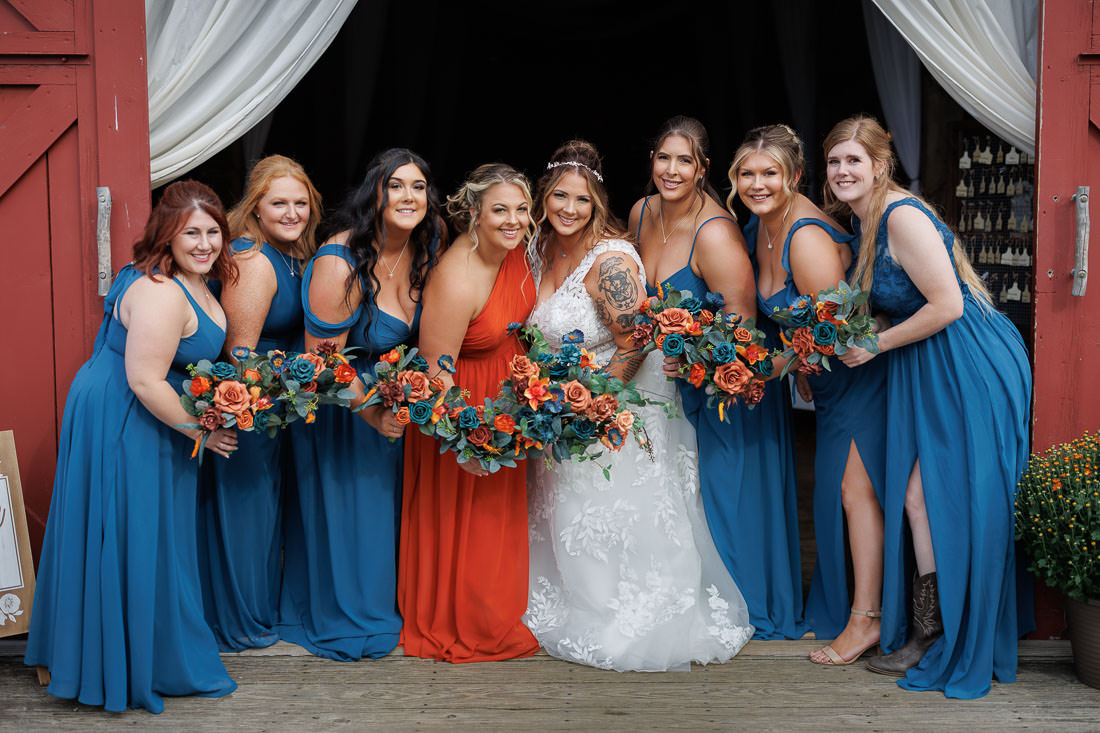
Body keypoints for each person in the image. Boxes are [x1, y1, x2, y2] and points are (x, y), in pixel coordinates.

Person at [522, 140, 753, 670]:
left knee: (618, 508)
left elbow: (637, 340)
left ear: (597, 201)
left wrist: (590, 405)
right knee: (571, 512)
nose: (569, 209)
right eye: (560, 196)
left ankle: (629, 612)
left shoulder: (611, 261)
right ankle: (578, 598)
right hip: (564, 403)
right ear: (544, 197)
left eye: (581, 200)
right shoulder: (539, 248)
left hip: (617, 405)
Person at [823, 116, 1031, 698]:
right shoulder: (863, 221)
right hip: (929, 365)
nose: (843, 172)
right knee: (923, 498)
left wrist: (875, 344)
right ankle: (931, 628)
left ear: (879, 165)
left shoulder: (902, 216)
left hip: (967, 363)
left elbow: (947, 306)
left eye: (854, 161)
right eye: (835, 162)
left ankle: (939, 633)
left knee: (929, 496)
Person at [25, 181, 239, 713]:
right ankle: (103, 659)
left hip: (139, 406)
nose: (204, 243)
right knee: (128, 529)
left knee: (135, 531)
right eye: (192, 232)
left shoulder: (192, 279)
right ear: (167, 232)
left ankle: (106, 647)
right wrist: (203, 433)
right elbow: (145, 380)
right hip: (128, 412)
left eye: (213, 231)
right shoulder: (162, 291)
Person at [629, 116, 806, 640]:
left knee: (723, 495)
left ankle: (746, 604)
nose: (672, 170)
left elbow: (743, 328)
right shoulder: (640, 214)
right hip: (658, 382)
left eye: (685, 160)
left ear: (704, 168)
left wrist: (701, 366)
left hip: (723, 386)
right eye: (664, 157)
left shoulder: (717, 232)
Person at [277, 148, 444, 660]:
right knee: (352, 519)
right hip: (343, 409)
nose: (408, 197)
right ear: (374, 193)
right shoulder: (339, 259)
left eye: (417, 187)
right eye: (396, 186)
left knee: (386, 519)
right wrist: (371, 411)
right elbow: (322, 360)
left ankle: (384, 605)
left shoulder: (423, 250)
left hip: (390, 406)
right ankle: (348, 613)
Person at [731, 124, 888, 664]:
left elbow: (838, 330)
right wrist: (796, 364)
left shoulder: (806, 238)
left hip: (857, 381)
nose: (757, 183)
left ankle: (867, 620)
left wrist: (770, 367)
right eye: (747, 173)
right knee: (832, 495)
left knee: (854, 495)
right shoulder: (761, 225)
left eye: (769, 173)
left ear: (794, 176)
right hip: (825, 384)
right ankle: (840, 608)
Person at [398, 163, 540, 663]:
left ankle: (500, 608)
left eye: (522, 210)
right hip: (465, 410)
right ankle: (468, 619)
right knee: (470, 523)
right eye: (500, 210)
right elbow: (437, 376)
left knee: (498, 522)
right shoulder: (456, 276)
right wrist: (465, 442)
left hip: (508, 404)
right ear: (474, 213)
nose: (514, 220)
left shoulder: (518, 251)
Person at [197, 154, 322, 651]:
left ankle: (261, 609)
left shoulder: (292, 253)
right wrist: (275, 395)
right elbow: (241, 353)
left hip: (278, 405)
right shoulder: (251, 258)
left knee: (267, 511)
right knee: (246, 510)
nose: (292, 213)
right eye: (278, 203)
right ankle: (240, 618)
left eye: (301, 202)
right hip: (250, 406)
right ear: (256, 206)